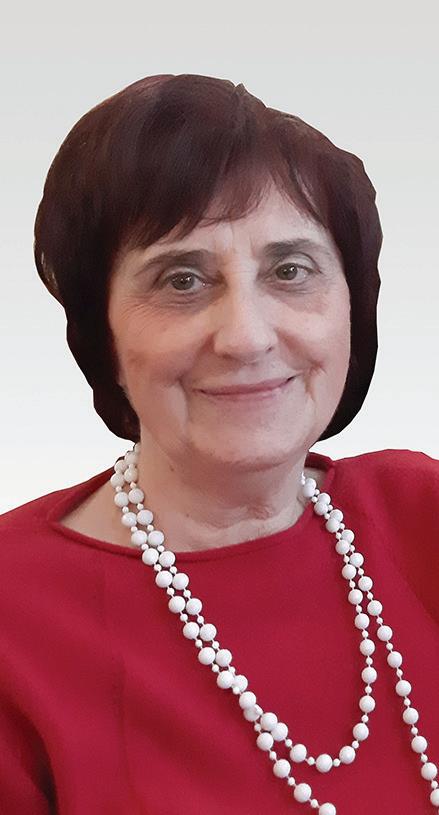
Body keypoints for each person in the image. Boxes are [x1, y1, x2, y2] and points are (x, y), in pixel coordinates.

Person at [0, 74, 438, 815]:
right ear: (100, 332)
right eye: (181, 280)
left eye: (290, 270)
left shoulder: (417, 511)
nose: (245, 336)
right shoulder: (14, 610)